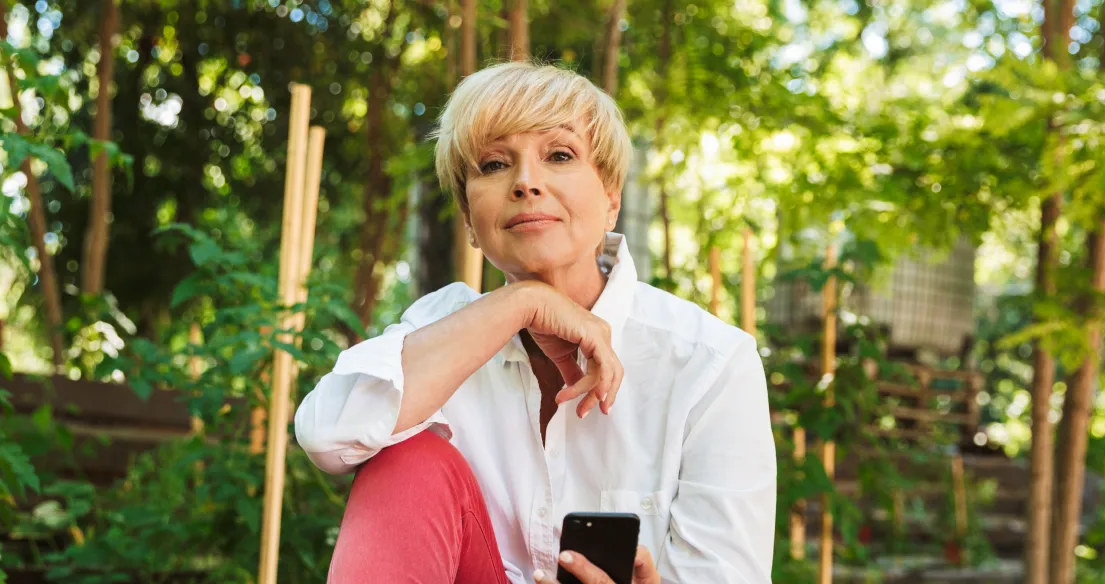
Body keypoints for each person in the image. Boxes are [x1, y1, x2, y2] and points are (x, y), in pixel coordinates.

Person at [295, 60, 776, 584]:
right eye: (495, 165)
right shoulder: (443, 328)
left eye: (560, 155)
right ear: (469, 220)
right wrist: (521, 304)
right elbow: (329, 437)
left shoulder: (710, 363)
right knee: (406, 457)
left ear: (611, 199)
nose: (527, 182)